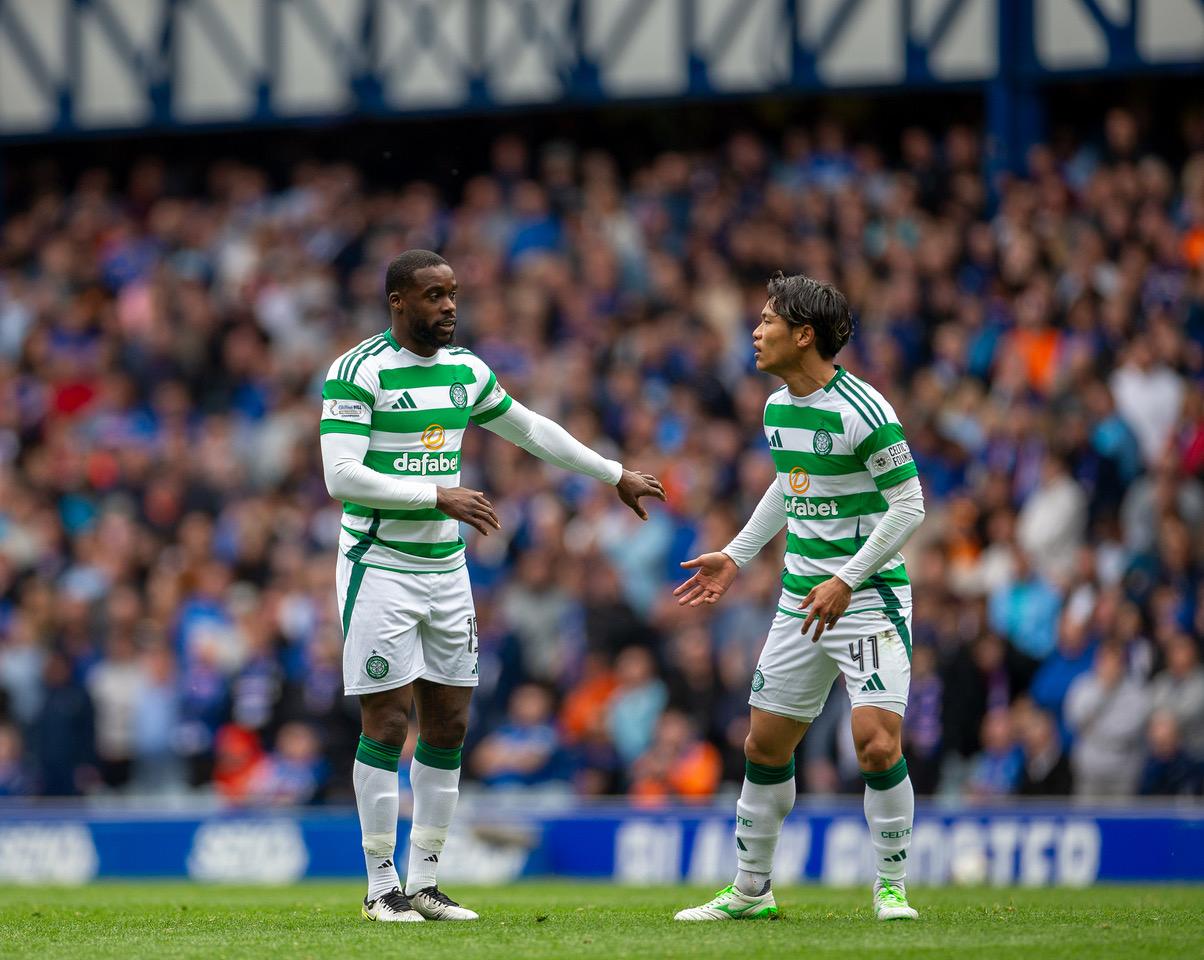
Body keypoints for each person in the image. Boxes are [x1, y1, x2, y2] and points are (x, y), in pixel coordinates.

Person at [320, 249, 664, 922]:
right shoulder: (357, 371)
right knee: (386, 720)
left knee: (449, 721)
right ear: (397, 301)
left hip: (446, 570)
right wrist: (435, 494)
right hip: (378, 564)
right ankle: (380, 885)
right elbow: (341, 475)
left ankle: (423, 882)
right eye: (433, 295)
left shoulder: (466, 371)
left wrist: (612, 472)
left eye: (453, 293)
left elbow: (531, 429)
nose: (449, 305)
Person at [673, 272, 925, 922]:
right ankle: (751, 890)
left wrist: (848, 579)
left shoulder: (865, 411)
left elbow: (910, 505)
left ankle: (891, 888)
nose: (756, 332)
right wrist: (736, 555)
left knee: (876, 744)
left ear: (804, 334)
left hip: (867, 599)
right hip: (801, 601)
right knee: (763, 747)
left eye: (767, 320)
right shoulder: (776, 407)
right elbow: (791, 484)